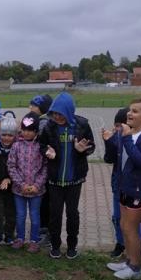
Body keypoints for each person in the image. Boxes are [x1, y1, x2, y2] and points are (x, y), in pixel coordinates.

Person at [38, 92, 95, 259]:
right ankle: (55, 246)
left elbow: (91, 146)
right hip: (55, 179)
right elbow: (41, 145)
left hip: (74, 179)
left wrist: (83, 150)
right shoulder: (49, 126)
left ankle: (72, 246)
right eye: (54, 113)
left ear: (69, 111)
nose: (57, 117)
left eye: (61, 114)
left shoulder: (82, 125)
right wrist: (46, 151)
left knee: (72, 213)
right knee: (55, 214)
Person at [105, 99, 141, 280]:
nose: (129, 114)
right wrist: (111, 141)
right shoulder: (128, 133)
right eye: (130, 110)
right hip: (124, 187)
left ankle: (135, 268)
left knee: (131, 228)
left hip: (140, 190)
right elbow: (118, 159)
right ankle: (129, 261)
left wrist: (126, 139)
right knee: (124, 226)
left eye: (135, 111)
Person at [102, 107, 141, 258]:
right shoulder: (117, 137)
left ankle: (138, 248)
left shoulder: (140, 139)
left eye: (121, 125)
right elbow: (109, 159)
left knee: (132, 220)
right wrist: (107, 142)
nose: (117, 128)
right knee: (117, 217)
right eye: (116, 125)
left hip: (134, 187)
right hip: (118, 184)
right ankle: (120, 244)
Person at [7, 112, 47, 253]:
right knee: (20, 215)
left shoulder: (41, 147)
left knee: (35, 216)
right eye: (24, 130)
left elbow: (45, 168)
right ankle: (20, 238)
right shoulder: (16, 146)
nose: (27, 133)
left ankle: (34, 240)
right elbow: (11, 166)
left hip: (37, 191)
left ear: (36, 131)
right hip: (19, 190)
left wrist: (37, 185)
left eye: (30, 130)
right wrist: (21, 184)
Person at [0, 116, 18, 246]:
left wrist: (9, 179)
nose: (6, 138)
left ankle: (9, 235)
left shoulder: (17, 149)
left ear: (15, 136)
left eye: (10, 135)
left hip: (12, 188)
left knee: (11, 213)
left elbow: (20, 168)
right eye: (4, 134)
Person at [29, 94, 53, 244]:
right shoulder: (46, 121)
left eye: (33, 106)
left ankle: (45, 229)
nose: (30, 108)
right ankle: (44, 227)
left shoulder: (43, 123)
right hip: (45, 167)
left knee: (45, 200)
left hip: (44, 167)